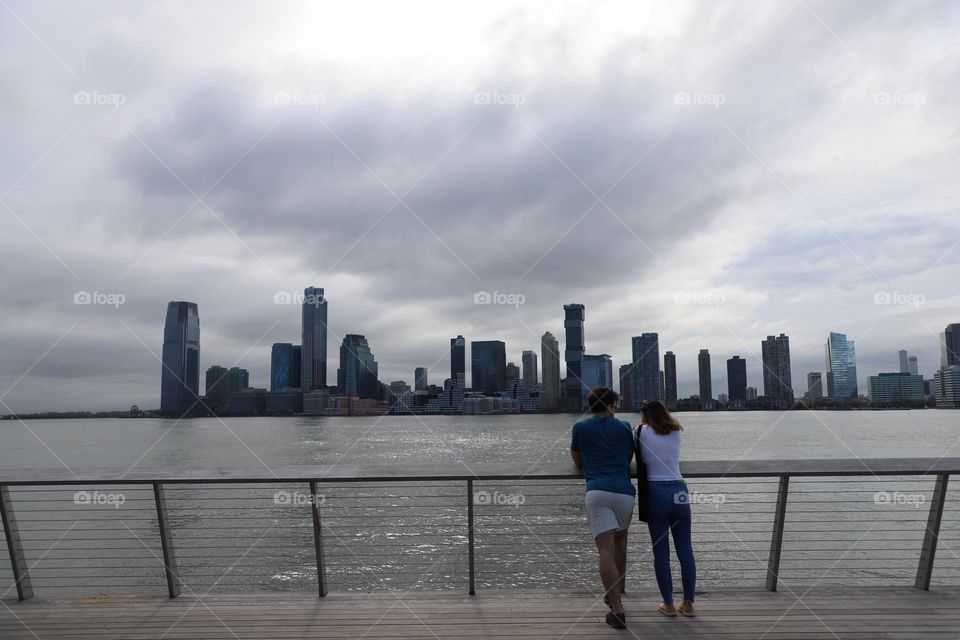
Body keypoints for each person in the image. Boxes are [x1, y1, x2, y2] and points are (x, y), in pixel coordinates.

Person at [570, 387, 635, 630]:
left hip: (597, 491)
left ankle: (617, 609)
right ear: (611, 405)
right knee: (620, 545)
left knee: (605, 551)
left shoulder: (580, 427)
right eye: (616, 403)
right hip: (625, 493)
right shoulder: (625, 427)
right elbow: (628, 457)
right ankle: (615, 593)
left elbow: (577, 460)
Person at [636, 400, 697, 617]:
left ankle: (669, 605)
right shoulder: (676, 430)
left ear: (644, 415)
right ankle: (688, 604)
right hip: (679, 489)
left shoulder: (640, 431)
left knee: (661, 553)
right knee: (686, 551)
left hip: (655, 492)